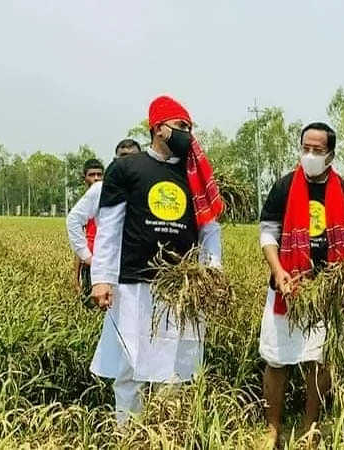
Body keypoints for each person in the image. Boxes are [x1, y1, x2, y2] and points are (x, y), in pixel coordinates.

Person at [89, 96, 223, 424]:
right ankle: (128, 433)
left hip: (183, 286)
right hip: (135, 284)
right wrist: (101, 278)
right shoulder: (126, 169)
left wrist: (212, 271)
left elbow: (210, 228)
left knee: (179, 364)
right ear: (159, 128)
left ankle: (170, 432)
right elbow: (109, 229)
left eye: (190, 128)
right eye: (181, 126)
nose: (187, 134)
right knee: (130, 364)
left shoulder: (194, 174)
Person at [258, 122, 344, 446]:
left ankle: (309, 427)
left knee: (319, 361)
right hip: (287, 289)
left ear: (331, 153)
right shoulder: (284, 186)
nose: (311, 154)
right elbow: (268, 232)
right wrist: (278, 271)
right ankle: (272, 427)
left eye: (318, 150)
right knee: (277, 360)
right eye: (306, 148)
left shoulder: (343, 191)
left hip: (324, 293)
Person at [66, 140, 141, 302]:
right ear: (115, 161)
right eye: (122, 157)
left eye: (132, 158)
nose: (127, 162)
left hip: (137, 268)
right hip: (107, 266)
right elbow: (73, 220)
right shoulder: (101, 189)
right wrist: (86, 256)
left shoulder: (148, 187)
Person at [66, 158, 104, 298]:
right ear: (84, 178)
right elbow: (79, 244)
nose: (96, 178)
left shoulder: (108, 199)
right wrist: (76, 280)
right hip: (90, 263)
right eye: (92, 175)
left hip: (105, 260)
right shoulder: (83, 206)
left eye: (99, 175)